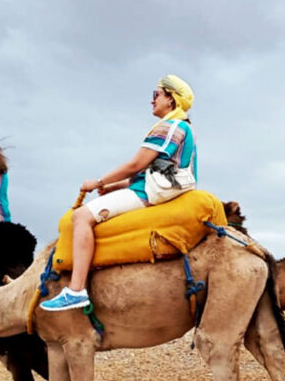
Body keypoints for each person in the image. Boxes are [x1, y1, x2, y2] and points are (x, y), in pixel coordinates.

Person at [41, 74, 196, 312]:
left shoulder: (170, 127)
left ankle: (76, 290)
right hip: (151, 191)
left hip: (148, 196)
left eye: (156, 95)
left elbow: (135, 165)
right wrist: (113, 187)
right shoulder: (183, 128)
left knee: (81, 216)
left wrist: (98, 181)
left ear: (171, 100)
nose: (152, 100)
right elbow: (153, 175)